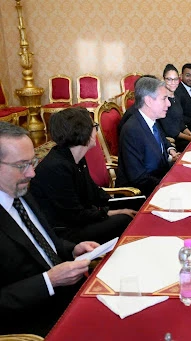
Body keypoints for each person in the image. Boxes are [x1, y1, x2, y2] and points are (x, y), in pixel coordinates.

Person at [0, 122, 99, 336]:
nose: (32, 173)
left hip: (69, 293)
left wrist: (72, 249)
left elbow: (39, 241)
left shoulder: (21, 190)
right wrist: (48, 281)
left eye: (32, 162)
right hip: (34, 321)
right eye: (22, 165)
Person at [30, 107, 136, 244]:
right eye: (94, 126)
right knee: (124, 220)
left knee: (134, 209)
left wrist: (120, 204)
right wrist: (111, 213)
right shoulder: (56, 167)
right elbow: (74, 215)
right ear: (83, 132)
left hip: (79, 221)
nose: (96, 131)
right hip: (65, 233)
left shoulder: (76, 158)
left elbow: (93, 192)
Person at [116, 77, 180, 196]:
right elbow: (139, 178)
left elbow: (160, 147)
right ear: (149, 101)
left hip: (158, 183)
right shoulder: (132, 130)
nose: (169, 103)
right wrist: (170, 185)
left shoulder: (151, 120)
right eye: (164, 98)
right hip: (141, 195)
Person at [159, 64, 191, 152]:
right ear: (164, 79)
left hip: (181, 137)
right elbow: (170, 130)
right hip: (171, 141)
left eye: (175, 79)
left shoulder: (176, 96)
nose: (173, 82)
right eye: (169, 79)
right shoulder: (162, 100)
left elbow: (180, 123)